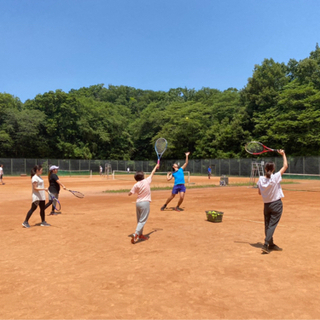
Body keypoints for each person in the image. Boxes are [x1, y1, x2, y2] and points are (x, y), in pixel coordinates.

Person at [257, 150, 288, 254]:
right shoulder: (275, 177)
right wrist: (283, 154)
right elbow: (285, 166)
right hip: (276, 205)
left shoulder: (260, 179)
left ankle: (271, 244)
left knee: (267, 225)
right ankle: (266, 244)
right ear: (273, 169)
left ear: (265, 169)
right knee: (271, 225)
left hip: (266, 205)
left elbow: (259, 193)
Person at [128, 163, 159, 244]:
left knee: (139, 220)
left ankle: (140, 234)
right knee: (142, 221)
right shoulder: (147, 181)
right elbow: (152, 173)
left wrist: (129, 193)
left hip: (138, 203)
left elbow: (130, 193)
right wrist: (156, 166)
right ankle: (136, 234)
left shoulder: (136, 184)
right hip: (145, 203)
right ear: (143, 176)